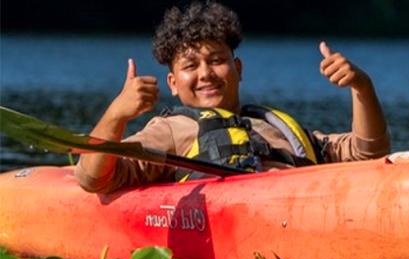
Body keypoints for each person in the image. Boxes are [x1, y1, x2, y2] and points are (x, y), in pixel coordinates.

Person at [75, 2, 390, 194]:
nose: (206, 74)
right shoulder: (170, 131)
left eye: (216, 60)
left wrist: (362, 88)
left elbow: (368, 154)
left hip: (306, 207)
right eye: (190, 66)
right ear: (172, 83)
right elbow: (95, 179)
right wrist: (117, 115)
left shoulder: (274, 125)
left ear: (237, 68)